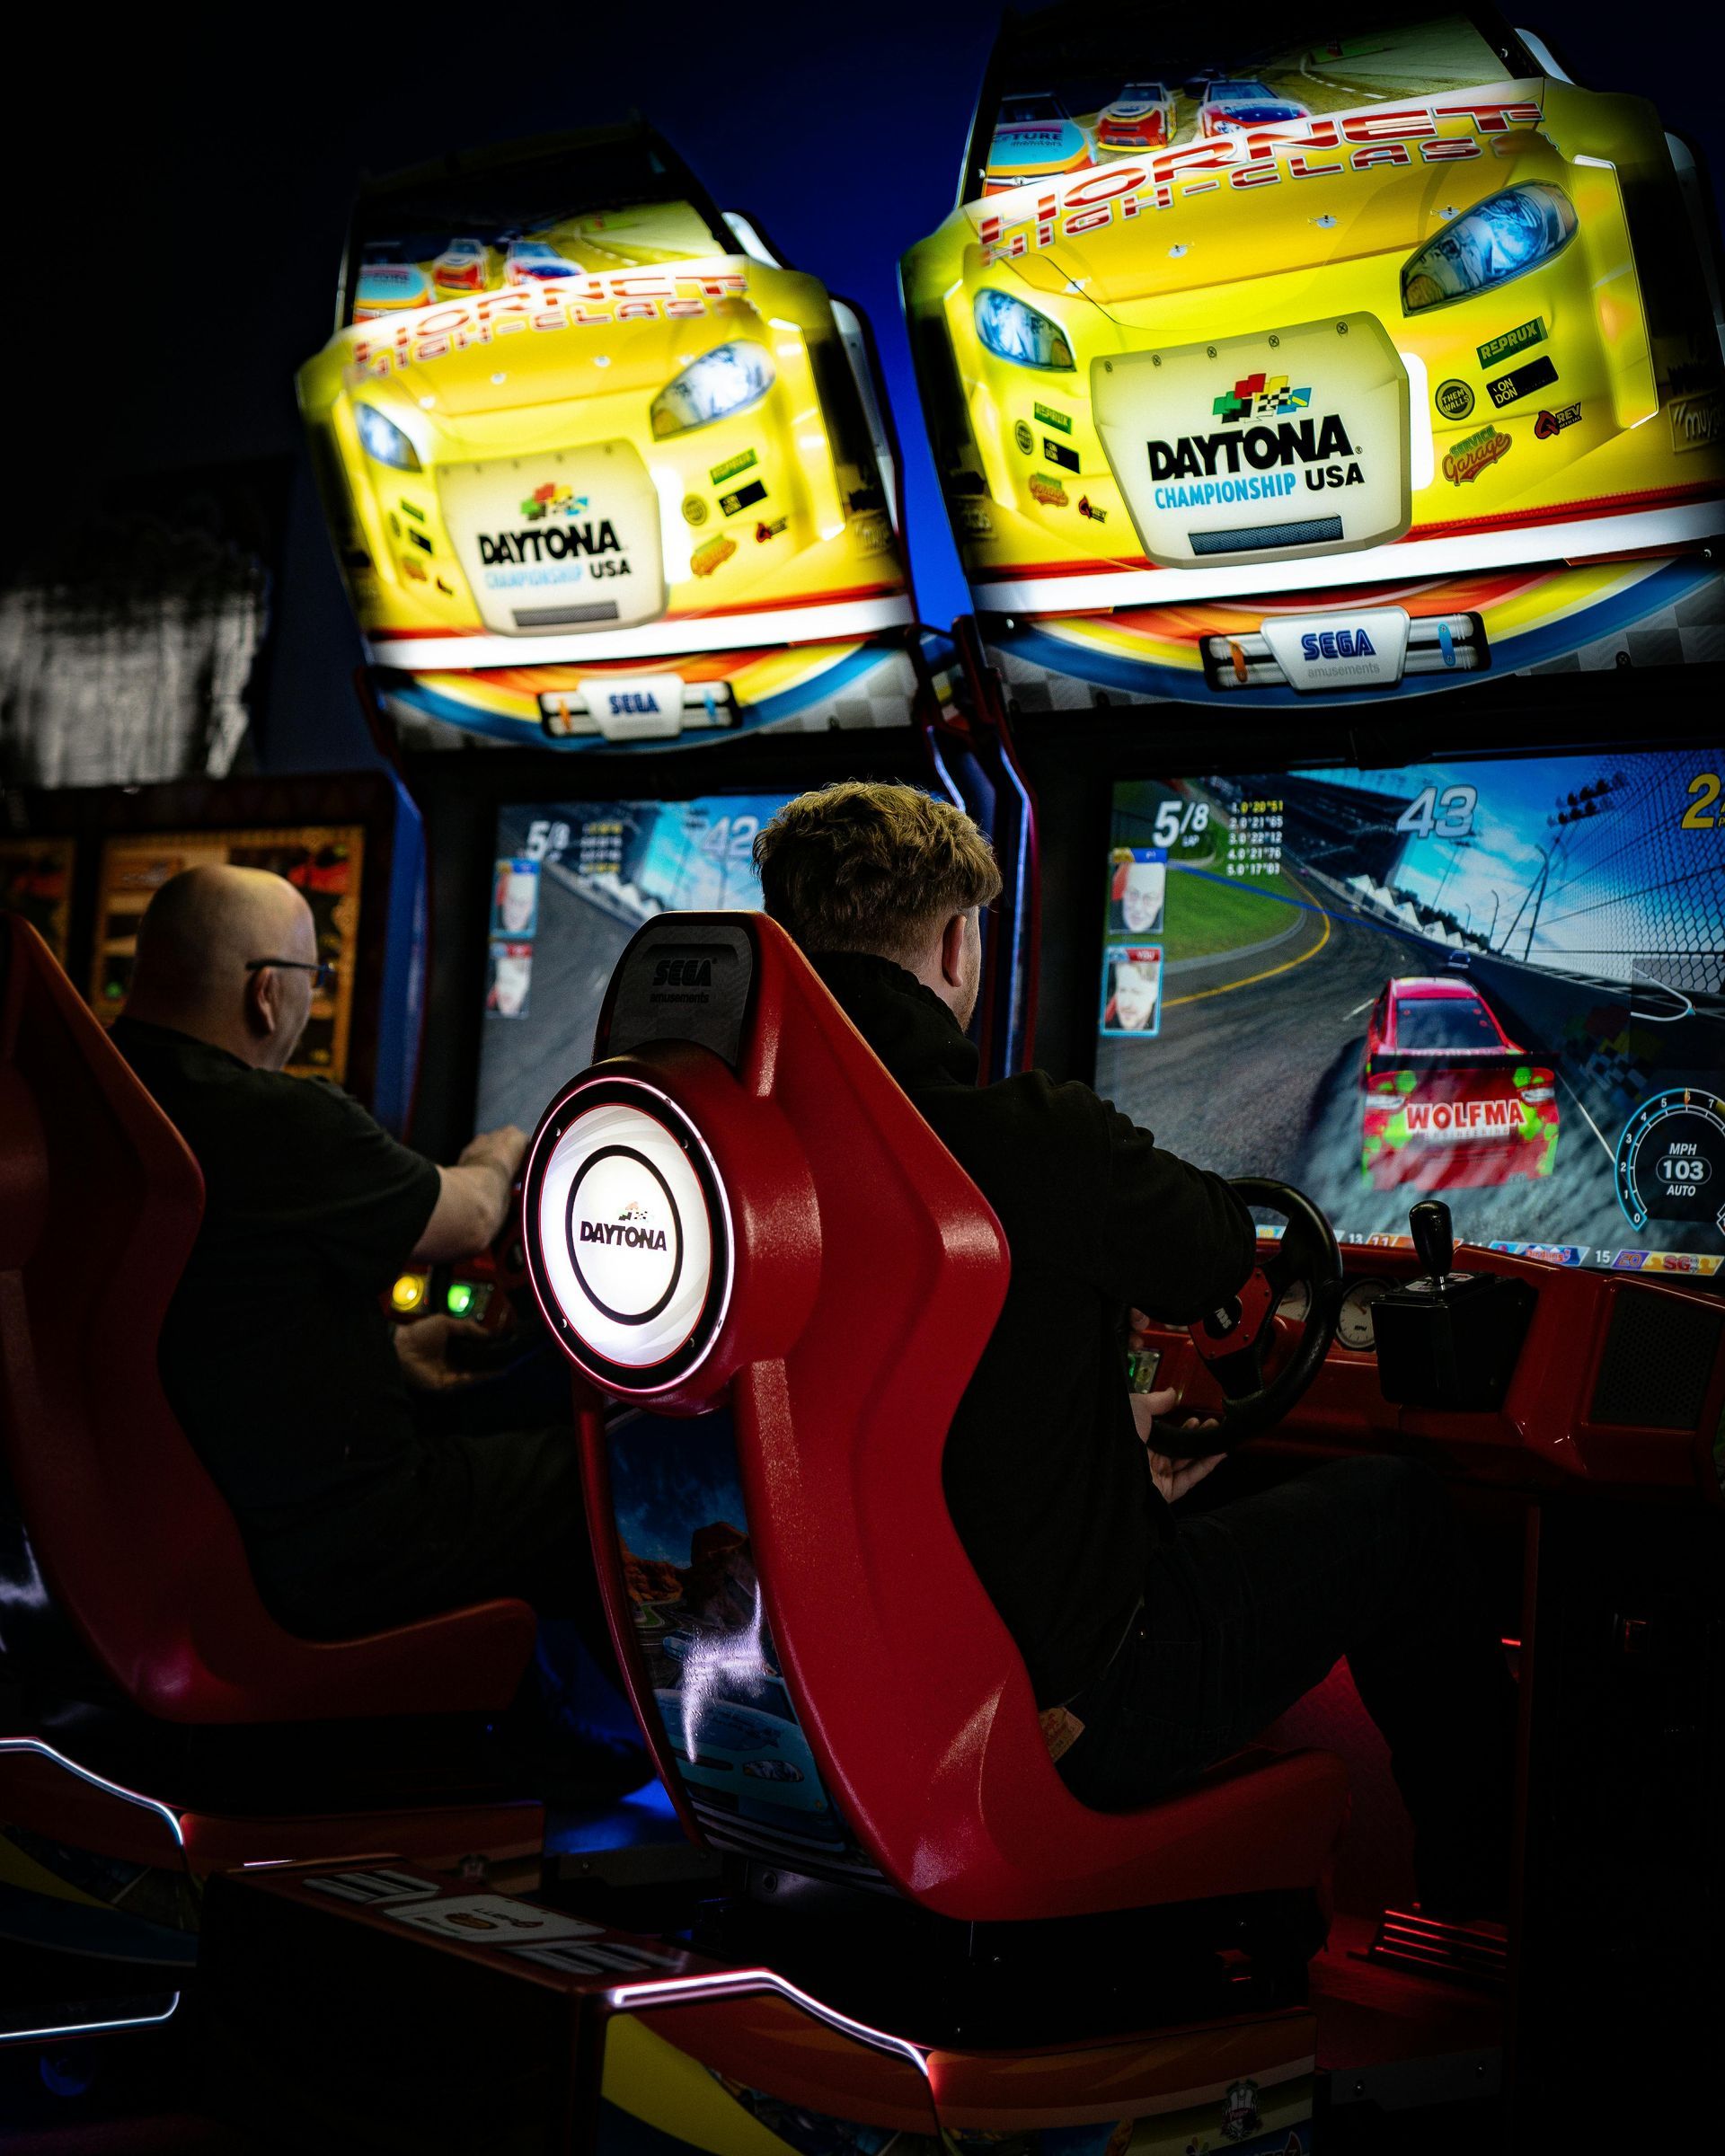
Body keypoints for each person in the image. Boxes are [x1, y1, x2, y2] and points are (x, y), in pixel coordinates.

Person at [752, 782, 1516, 1918]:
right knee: (1402, 1514)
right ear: (959, 944)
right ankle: (1490, 1907)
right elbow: (1218, 1252)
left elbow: (885, 1413)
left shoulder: (732, 1161)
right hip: (1067, 1709)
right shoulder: (1034, 1139)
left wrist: (1102, 1452)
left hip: (815, 1688)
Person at [110, 863, 612, 1671]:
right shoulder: (277, 1123)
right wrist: (504, 1152)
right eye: (315, 979)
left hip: (151, 1534)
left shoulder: (95, 1105)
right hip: (339, 1545)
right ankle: (582, 1744)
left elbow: (207, 1320)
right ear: (267, 993)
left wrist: (383, 1360)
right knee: (605, 1471)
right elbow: (473, 1216)